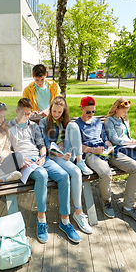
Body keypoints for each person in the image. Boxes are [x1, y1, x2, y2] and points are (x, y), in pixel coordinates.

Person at [8, 98, 81, 244]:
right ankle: (41, 220)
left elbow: (41, 145)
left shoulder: (33, 127)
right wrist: (19, 159)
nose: (27, 117)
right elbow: (4, 150)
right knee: (42, 175)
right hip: (24, 161)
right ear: (17, 111)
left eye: (29, 114)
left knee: (63, 175)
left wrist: (42, 156)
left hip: (39, 158)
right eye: (24, 113)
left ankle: (65, 221)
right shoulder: (8, 127)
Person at [75, 96, 136, 224]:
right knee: (106, 172)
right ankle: (107, 201)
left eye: (93, 111)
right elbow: (76, 145)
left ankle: (128, 206)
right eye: (88, 111)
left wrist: (108, 145)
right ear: (81, 108)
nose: (91, 114)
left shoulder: (98, 122)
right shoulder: (76, 125)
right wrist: (92, 150)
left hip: (107, 152)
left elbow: (105, 138)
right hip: (90, 154)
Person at [38, 96, 94, 234]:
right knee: (75, 172)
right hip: (53, 156)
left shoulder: (65, 123)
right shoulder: (43, 123)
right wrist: (60, 153)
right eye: (54, 111)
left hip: (67, 154)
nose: (56, 115)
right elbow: (45, 144)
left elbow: (67, 140)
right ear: (50, 109)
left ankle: (80, 160)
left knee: (73, 125)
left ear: (64, 112)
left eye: (60, 112)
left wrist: (64, 147)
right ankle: (78, 212)